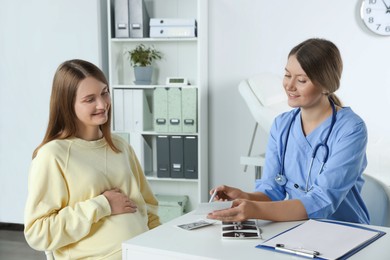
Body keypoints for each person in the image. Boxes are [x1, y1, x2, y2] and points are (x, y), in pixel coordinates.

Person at [208, 38, 369, 225]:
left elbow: (323, 201)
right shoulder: (282, 125)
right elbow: (271, 190)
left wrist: (254, 210)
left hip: (346, 231)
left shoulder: (351, 129)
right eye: (287, 75)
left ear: (326, 85)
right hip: (299, 228)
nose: (289, 86)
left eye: (301, 80)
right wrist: (244, 197)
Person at [24, 59, 161, 259]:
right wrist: (103, 205)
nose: (102, 104)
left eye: (104, 92)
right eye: (89, 99)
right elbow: (38, 233)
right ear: (67, 105)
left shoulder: (121, 146)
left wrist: (159, 248)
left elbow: (149, 207)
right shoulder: (52, 155)